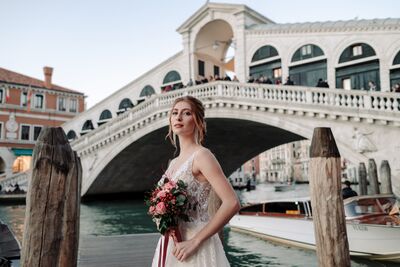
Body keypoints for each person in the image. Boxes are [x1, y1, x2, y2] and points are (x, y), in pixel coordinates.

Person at [151, 96, 240, 266]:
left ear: (198, 121)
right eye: (175, 113)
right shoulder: (174, 162)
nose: (178, 117)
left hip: (196, 244)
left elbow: (232, 202)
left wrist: (195, 241)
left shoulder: (202, 156)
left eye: (186, 113)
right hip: (171, 244)